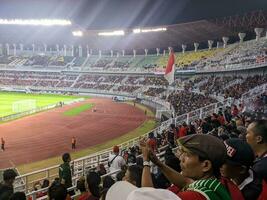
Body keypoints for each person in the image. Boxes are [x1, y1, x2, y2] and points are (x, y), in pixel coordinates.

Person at [141, 134, 232, 200]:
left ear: (206, 165)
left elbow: (147, 197)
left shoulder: (192, 196)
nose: (181, 158)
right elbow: (185, 182)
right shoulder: (216, 183)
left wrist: (146, 161)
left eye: (187, 155)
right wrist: (158, 162)